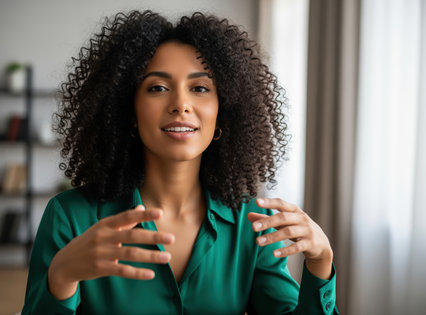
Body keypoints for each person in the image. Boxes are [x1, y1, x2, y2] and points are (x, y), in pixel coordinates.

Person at [22, 10, 338, 314]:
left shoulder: (255, 224)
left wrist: (320, 262)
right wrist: (60, 277)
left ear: (222, 112)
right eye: (158, 88)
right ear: (128, 111)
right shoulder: (70, 217)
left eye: (199, 88)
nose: (181, 105)